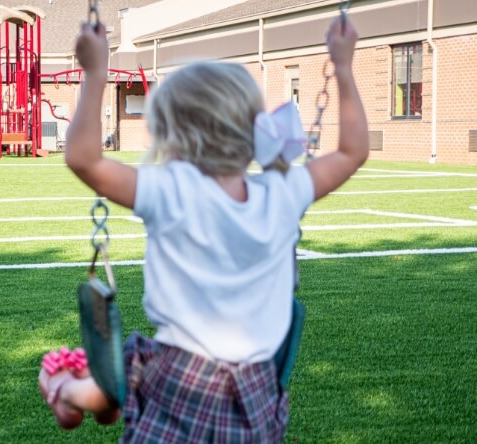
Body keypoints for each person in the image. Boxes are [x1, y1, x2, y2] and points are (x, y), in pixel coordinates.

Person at [38, 15, 367, 442]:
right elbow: (353, 151)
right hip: (255, 393)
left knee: (137, 364)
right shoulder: (284, 191)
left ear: (169, 136)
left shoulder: (170, 191)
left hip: (179, 379)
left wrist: (95, 73)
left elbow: (84, 159)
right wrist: (343, 65)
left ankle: (68, 390)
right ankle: (84, 393)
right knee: (138, 365)